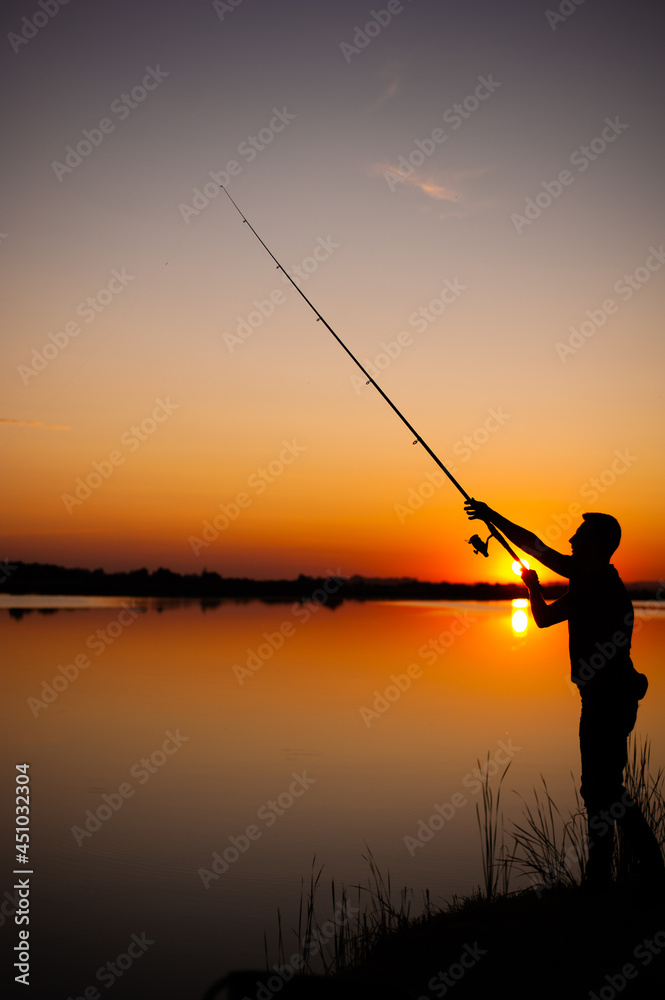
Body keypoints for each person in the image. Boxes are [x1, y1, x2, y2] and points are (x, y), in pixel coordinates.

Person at [464, 499, 664, 892]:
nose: (571, 539)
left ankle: (618, 876)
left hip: (608, 699)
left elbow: (538, 561)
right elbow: (542, 612)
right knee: (603, 788)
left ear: (597, 545)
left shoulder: (597, 584)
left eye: (580, 535)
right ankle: (618, 875)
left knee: (602, 789)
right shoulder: (591, 581)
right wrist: (533, 586)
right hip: (603, 697)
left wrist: (493, 518)